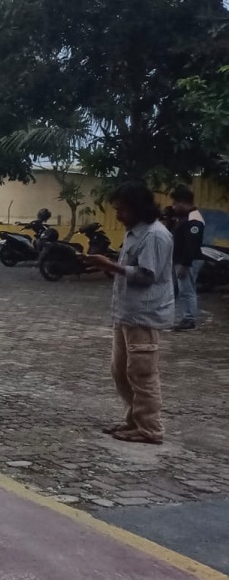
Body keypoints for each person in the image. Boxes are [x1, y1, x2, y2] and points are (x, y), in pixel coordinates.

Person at [85, 181, 173, 445]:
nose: (118, 215)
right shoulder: (135, 231)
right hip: (126, 312)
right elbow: (129, 267)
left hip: (145, 314)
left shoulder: (155, 235)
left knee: (142, 372)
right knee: (121, 371)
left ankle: (150, 428)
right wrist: (108, 267)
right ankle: (135, 420)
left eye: (122, 210)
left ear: (138, 208)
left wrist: (111, 265)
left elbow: (147, 275)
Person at [169, 186, 205, 331]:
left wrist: (184, 265)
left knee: (187, 290)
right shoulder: (184, 217)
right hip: (179, 260)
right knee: (176, 290)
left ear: (183, 202)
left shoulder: (194, 218)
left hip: (188, 261)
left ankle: (189, 320)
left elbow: (191, 244)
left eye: (175, 203)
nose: (174, 206)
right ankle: (174, 317)